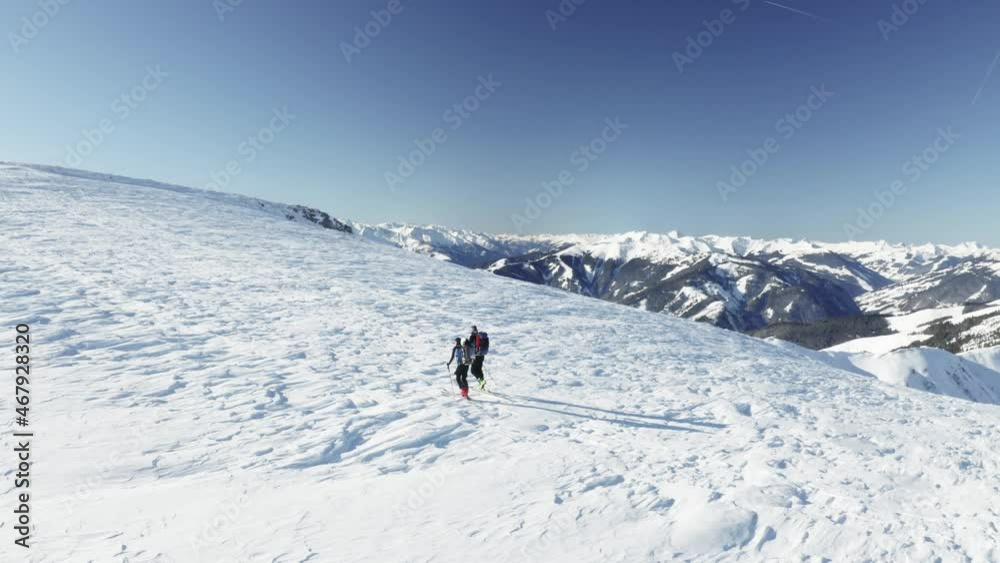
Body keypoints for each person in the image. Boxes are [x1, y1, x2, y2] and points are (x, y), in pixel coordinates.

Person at [469, 326, 488, 390]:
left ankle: (481, 382)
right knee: (479, 369)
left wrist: (470, 355)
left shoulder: (472, 337)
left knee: (473, 370)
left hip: (476, 356)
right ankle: (482, 384)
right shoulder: (480, 336)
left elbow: (470, 347)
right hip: (482, 355)